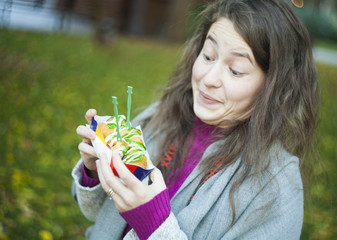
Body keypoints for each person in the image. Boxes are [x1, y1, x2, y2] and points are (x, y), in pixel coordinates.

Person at [72, 0, 320, 239]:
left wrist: (153, 223)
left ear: (274, 87)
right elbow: (97, 214)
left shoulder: (276, 187)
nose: (209, 78)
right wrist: (96, 171)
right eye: (209, 56)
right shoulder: (159, 117)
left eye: (235, 70)